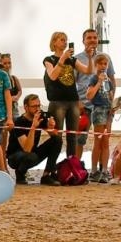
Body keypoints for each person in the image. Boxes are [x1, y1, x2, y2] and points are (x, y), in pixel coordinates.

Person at [6, 94, 62, 185]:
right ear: (26, 107)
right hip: (15, 157)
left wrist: (51, 127)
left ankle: (46, 175)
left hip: (31, 153)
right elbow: (26, 148)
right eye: (34, 106)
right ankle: (20, 173)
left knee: (57, 140)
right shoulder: (19, 122)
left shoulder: (40, 116)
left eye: (39, 105)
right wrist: (33, 127)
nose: (37, 109)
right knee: (31, 156)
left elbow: (54, 136)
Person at [42, 32, 82, 160]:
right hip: (57, 101)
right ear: (54, 42)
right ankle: (52, 166)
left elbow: (87, 70)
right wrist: (63, 58)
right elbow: (53, 76)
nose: (65, 42)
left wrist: (91, 57)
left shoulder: (72, 60)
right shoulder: (49, 60)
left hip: (73, 101)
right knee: (57, 136)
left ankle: (72, 165)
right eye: (62, 40)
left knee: (72, 136)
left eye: (66, 40)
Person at [82, 52, 116, 182]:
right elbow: (89, 95)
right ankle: (94, 169)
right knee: (98, 141)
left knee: (106, 142)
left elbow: (111, 96)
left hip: (108, 111)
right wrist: (99, 82)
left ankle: (104, 170)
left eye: (105, 64)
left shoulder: (109, 80)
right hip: (98, 110)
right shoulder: (94, 79)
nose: (103, 66)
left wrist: (115, 105)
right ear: (96, 65)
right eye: (101, 63)